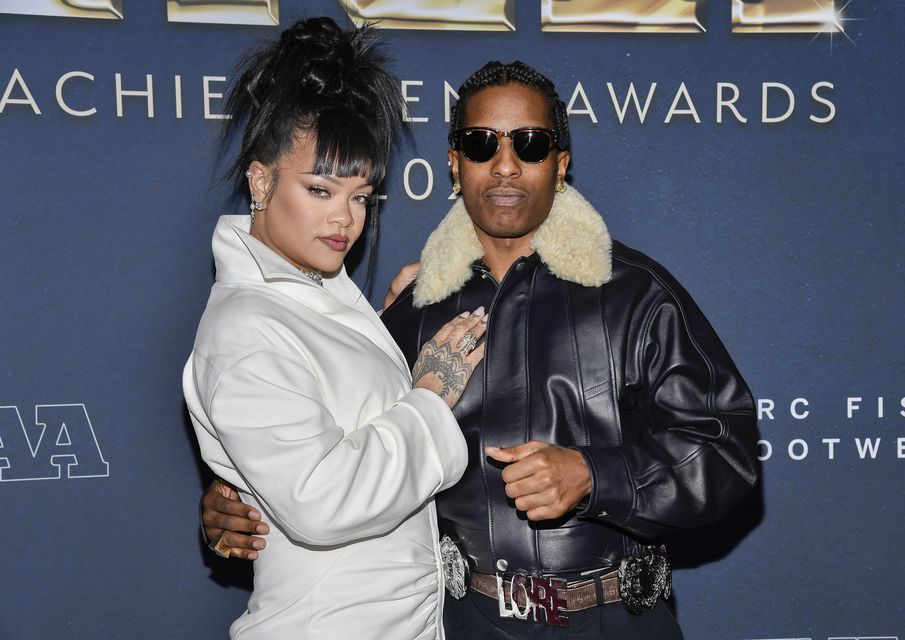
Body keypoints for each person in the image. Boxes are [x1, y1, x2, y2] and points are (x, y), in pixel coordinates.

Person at [203, 60, 760, 639]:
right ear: (454, 162)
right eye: (480, 143)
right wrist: (240, 493)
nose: (505, 165)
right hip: (461, 623)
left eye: (530, 144)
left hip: (614, 621)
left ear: (561, 165)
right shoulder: (410, 312)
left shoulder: (636, 294)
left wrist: (594, 476)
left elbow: (726, 451)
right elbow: (340, 455)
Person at [183, 17, 490, 639]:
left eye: (361, 196)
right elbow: (322, 501)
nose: (344, 219)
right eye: (320, 189)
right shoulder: (246, 326)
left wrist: (383, 326)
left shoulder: (310, 298)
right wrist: (430, 395)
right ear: (261, 180)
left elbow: (329, 407)